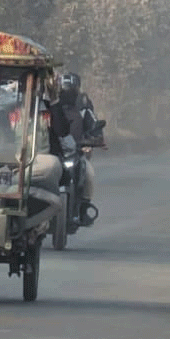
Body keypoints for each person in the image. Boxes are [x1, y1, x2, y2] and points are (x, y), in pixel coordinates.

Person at [50, 73, 99, 225]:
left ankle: (84, 209)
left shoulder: (84, 106)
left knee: (89, 174)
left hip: (77, 153)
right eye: (64, 91)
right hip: (54, 152)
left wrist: (92, 140)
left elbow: (94, 125)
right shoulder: (51, 104)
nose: (67, 95)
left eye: (71, 91)